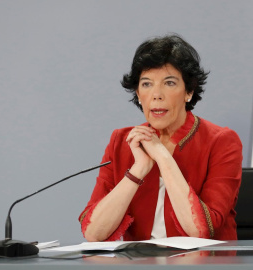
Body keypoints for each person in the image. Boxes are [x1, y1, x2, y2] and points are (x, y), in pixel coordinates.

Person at [78, 34, 243, 242]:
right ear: (138, 94)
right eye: (146, 84)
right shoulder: (122, 141)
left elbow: (201, 231)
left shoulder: (222, 141)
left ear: (189, 91)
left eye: (169, 83)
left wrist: (163, 157)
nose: (156, 94)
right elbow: (93, 233)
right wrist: (138, 170)